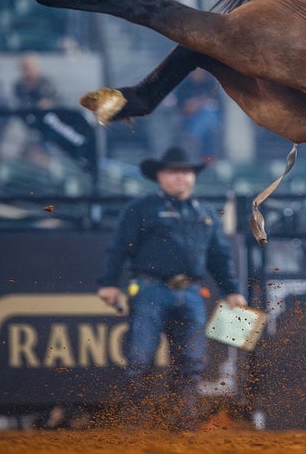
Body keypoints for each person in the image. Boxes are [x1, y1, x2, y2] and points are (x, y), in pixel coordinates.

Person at [96, 147, 247, 430]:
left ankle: (182, 423)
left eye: (186, 172)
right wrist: (108, 283)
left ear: (193, 177)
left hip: (190, 292)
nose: (182, 177)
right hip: (150, 288)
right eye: (175, 172)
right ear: (160, 176)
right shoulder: (141, 208)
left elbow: (219, 257)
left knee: (191, 361)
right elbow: (119, 249)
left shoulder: (206, 213)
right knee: (140, 359)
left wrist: (232, 290)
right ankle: (134, 424)